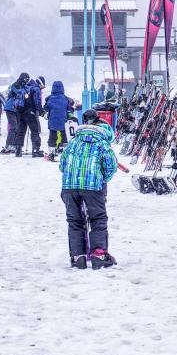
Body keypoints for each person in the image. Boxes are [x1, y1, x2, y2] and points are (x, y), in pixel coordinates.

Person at [59, 109, 118, 270]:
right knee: (98, 218)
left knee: (74, 221)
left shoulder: (73, 142)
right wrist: (101, 179)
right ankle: (98, 254)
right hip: (92, 186)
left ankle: (78, 257)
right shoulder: (101, 142)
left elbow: (62, 164)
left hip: (69, 186)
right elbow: (111, 166)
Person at [15, 73, 44, 158]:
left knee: (21, 131)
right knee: (34, 131)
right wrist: (41, 111)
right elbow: (37, 102)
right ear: (41, 84)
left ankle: (18, 150)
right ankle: (35, 150)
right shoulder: (35, 88)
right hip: (30, 112)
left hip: (20, 112)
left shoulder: (24, 87)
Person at [43, 80, 72, 161]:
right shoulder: (65, 98)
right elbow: (70, 109)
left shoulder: (49, 98)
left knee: (52, 137)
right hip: (63, 121)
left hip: (53, 122)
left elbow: (45, 108)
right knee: (64, 137)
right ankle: (64, 152)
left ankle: (52, 153)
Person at [1, 75, 26, 154]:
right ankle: (9, 145)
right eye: (26, 79)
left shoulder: (23, 86)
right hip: (10, 108)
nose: (26, 81)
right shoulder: (15, 85)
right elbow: (18, 92)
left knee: (18, 128)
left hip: (17, 109)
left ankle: (15, 145)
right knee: (14, 127)